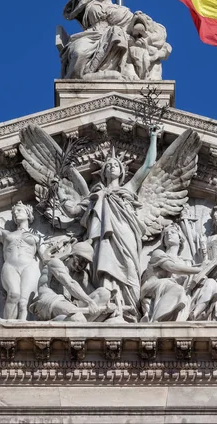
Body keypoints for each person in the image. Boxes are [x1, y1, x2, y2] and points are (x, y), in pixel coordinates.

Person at [57, 127, 161, 320]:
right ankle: (110, 308)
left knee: (129, 268)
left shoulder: (129, 188)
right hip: (102, 239)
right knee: (104, 268)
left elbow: (148, 166)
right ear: (103, 172)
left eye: (116, 164)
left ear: (122, 171)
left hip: (126, 235)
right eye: (108, 165)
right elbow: (73, 211)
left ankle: (131, 309)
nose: (112, 166)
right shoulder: (95, 194)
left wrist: (153, 137)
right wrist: (60, 194)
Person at [140, 222, 217, 322]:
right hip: (154, 287)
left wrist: (213, 265)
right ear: (163, 241)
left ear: (180, 239)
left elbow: (196, 279)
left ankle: (195, 314)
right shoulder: (158, 253)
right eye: (166, 234)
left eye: (173, 232)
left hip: (182, 292)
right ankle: (156, 321)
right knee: (176, 288)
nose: (169, 234)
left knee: (211, 283)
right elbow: (172, 267)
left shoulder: (187, 262)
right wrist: (201, 269)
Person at [30, 241, 111, 322]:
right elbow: (70, 283)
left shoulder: (80, 275)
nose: (82, 264)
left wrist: (108, 305)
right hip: (49, 301)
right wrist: (89, 302)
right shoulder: (55, 262)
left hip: (67, 304)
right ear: (72, 255)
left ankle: (67, 320)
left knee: (104, 293)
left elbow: (93, 296)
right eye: (81, 259)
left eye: (86, 262)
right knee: (78, 318)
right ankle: (62, 321)